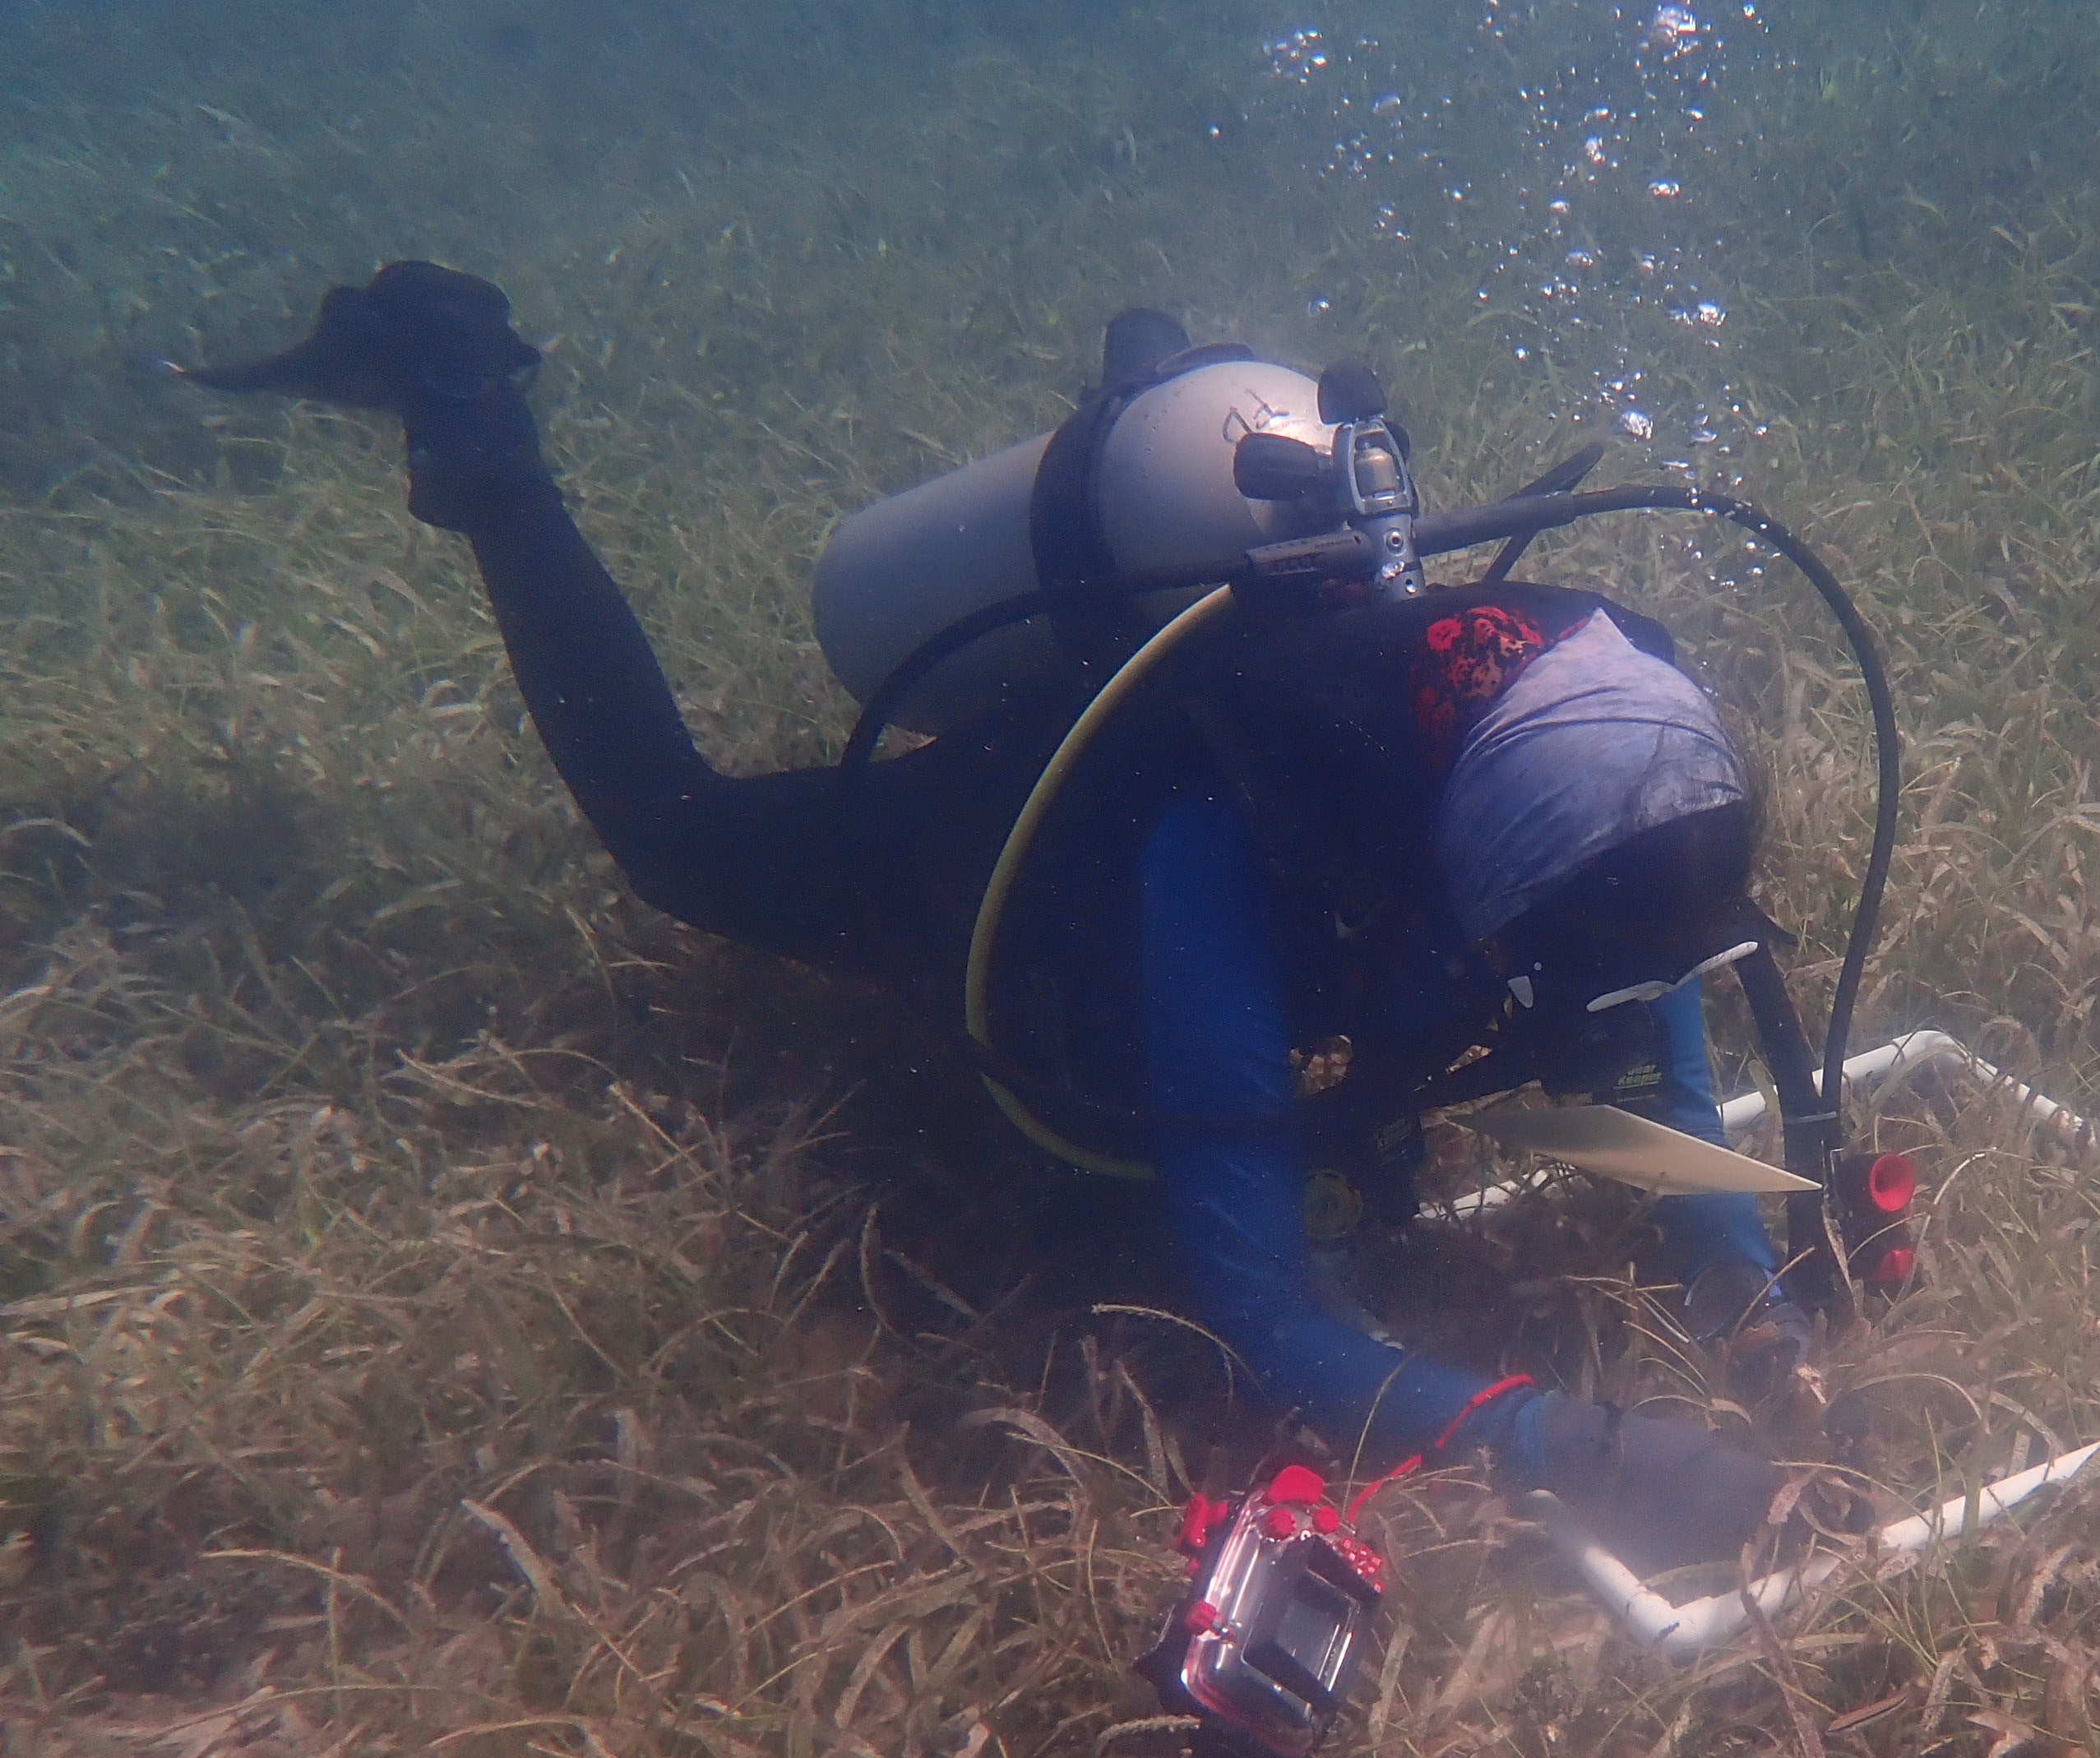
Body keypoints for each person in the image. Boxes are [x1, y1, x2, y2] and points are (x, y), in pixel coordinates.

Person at [193, 262, 1809, 1571]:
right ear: (1474, 878)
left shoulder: (1600, 792)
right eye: (1568, 972)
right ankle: (475, 436)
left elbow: (1648, 989)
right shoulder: (1220, 855)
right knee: (678, 846)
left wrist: (1750, 1301)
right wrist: (1571, 1445)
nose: (1611, 1005)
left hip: (1306, 784)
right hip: (1024, 849)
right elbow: (1260, 1313)